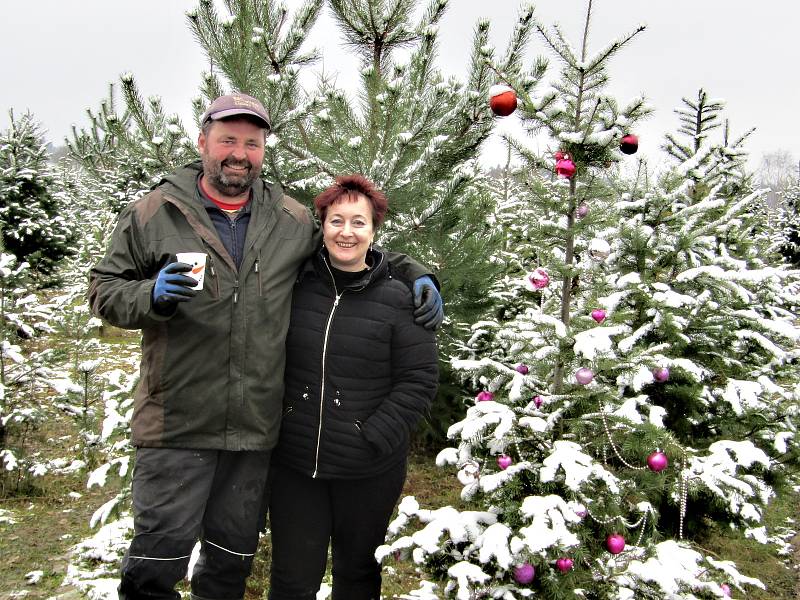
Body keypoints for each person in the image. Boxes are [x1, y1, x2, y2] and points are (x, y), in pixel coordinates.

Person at [87, 93, 443, 600]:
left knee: (229, 564)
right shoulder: (155, 212)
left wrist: (413, 272)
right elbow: (103, 289)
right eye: (227, 139)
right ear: (202, 141)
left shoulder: (289, 219)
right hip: (178, 423)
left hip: (255, 431)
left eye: (251, 143)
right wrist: (150, 295)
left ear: (262, 150)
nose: (239, 153)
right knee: (155, 563)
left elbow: (349, 242)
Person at [267, 175, 439, 600]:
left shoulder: (400, 299)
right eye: (336, 220)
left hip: (368, 469)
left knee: (358, 572)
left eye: (358, 222)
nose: (346, 232)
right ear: (321, 226)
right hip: (295, 463)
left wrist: (373, 435)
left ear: (374, 231)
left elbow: (418, 379)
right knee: (292, 576)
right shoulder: (294, 286)